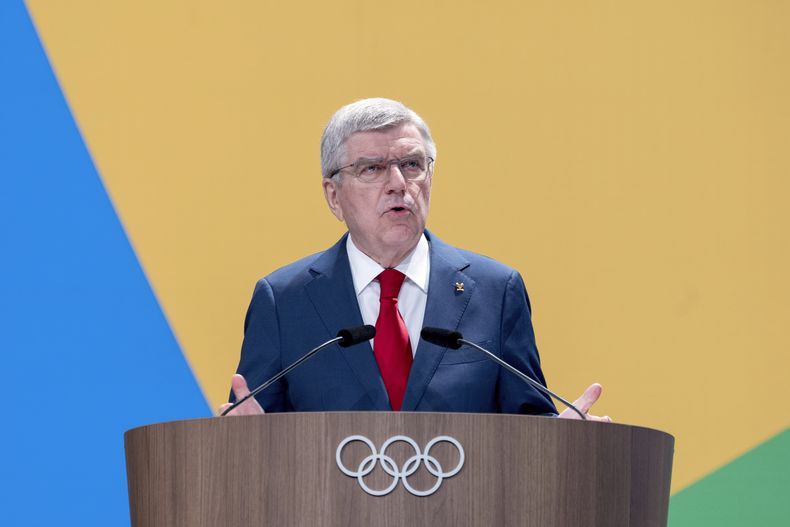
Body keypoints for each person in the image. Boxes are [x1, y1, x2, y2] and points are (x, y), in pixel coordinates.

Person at [220, 98, 611, 422]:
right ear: (334, 196)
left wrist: (563, 442)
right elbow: (256, 439)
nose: (398, 183)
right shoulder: (284, 300)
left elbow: (528, 429)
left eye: (411, 164)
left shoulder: (496, 292)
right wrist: (245, 440)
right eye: (371, 168)